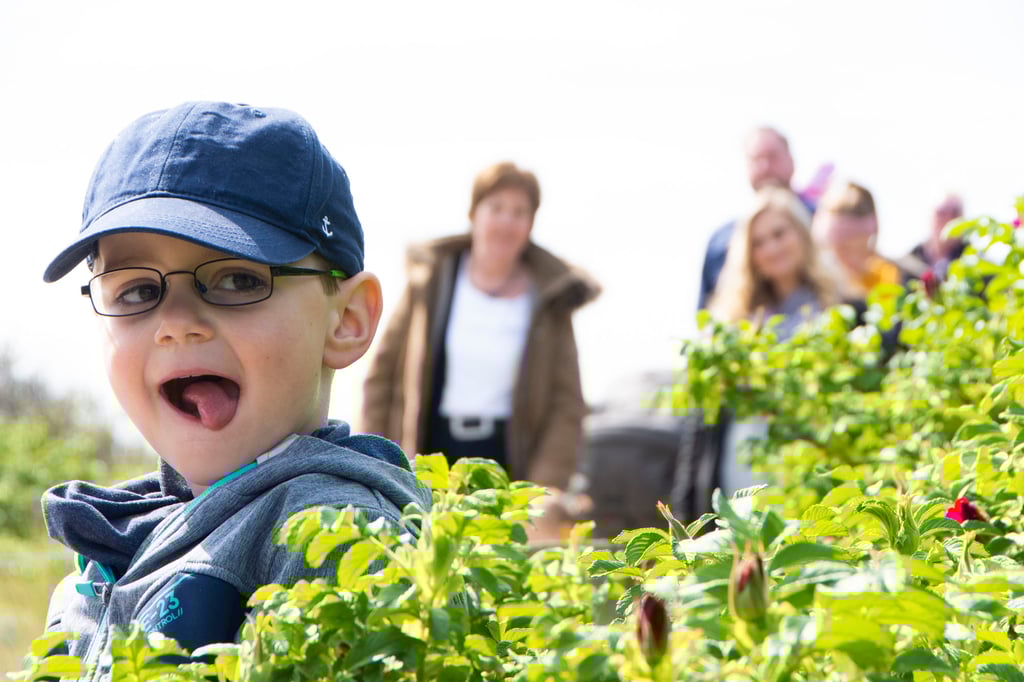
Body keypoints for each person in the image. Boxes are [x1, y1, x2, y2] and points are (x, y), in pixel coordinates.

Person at [37, 101, 432, 670]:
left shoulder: (336, 537)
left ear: (346, 321)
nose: (176, 323)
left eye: (236, 279)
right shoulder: (111, 541)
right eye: (137, 292)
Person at [361, 161, 600, 490]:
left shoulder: (550, 296)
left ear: (531, 223)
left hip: (511, 462)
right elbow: (382, 377)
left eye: (519, 212)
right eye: (496, 208)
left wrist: (543, 488)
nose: (506, 221)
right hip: (429, 454)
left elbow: (566, 403)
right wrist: (377, 463)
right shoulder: (433, 280)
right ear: (474, 214)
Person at [708, 186, 839, 498]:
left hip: (817, 449)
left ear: (801, 234)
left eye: (779, 234)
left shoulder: (835, 304)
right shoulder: (734, 319)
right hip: (750, 457)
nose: (772, 248)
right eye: (759, 243)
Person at [698, 126, 815, 311]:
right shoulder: (721, 241)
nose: (765, 167)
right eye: (756, 160)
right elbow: (706, 315)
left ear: (791, 161)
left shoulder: (823, 221)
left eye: (772, 157)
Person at [812, 180, 907, 300]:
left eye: (847, 247)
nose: (842, 255)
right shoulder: (823, 285)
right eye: (836, 247)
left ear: (867, 237)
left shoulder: (894, 276)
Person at [899, 192, 966, 282]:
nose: (947, 219)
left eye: (954, 213)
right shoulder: (911, 259)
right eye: (941, 212)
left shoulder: (974, 261)